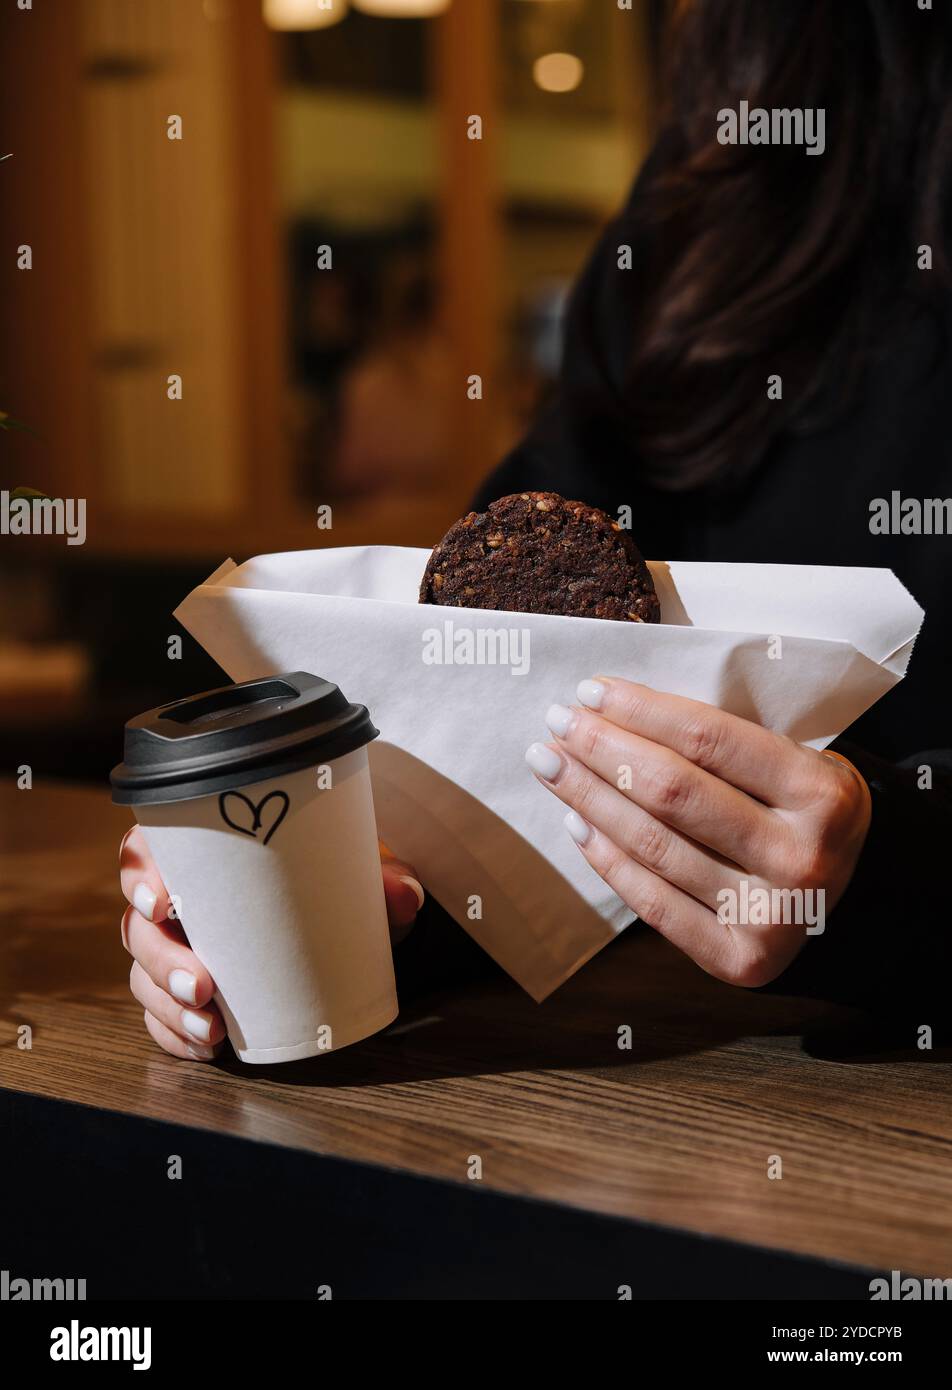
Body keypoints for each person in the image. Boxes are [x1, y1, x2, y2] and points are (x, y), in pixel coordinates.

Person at [120, 0, 951, 1059]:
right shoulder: (716, 197)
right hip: (638, 1104)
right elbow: (493, 670)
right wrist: (342, 878)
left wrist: (906, 870)